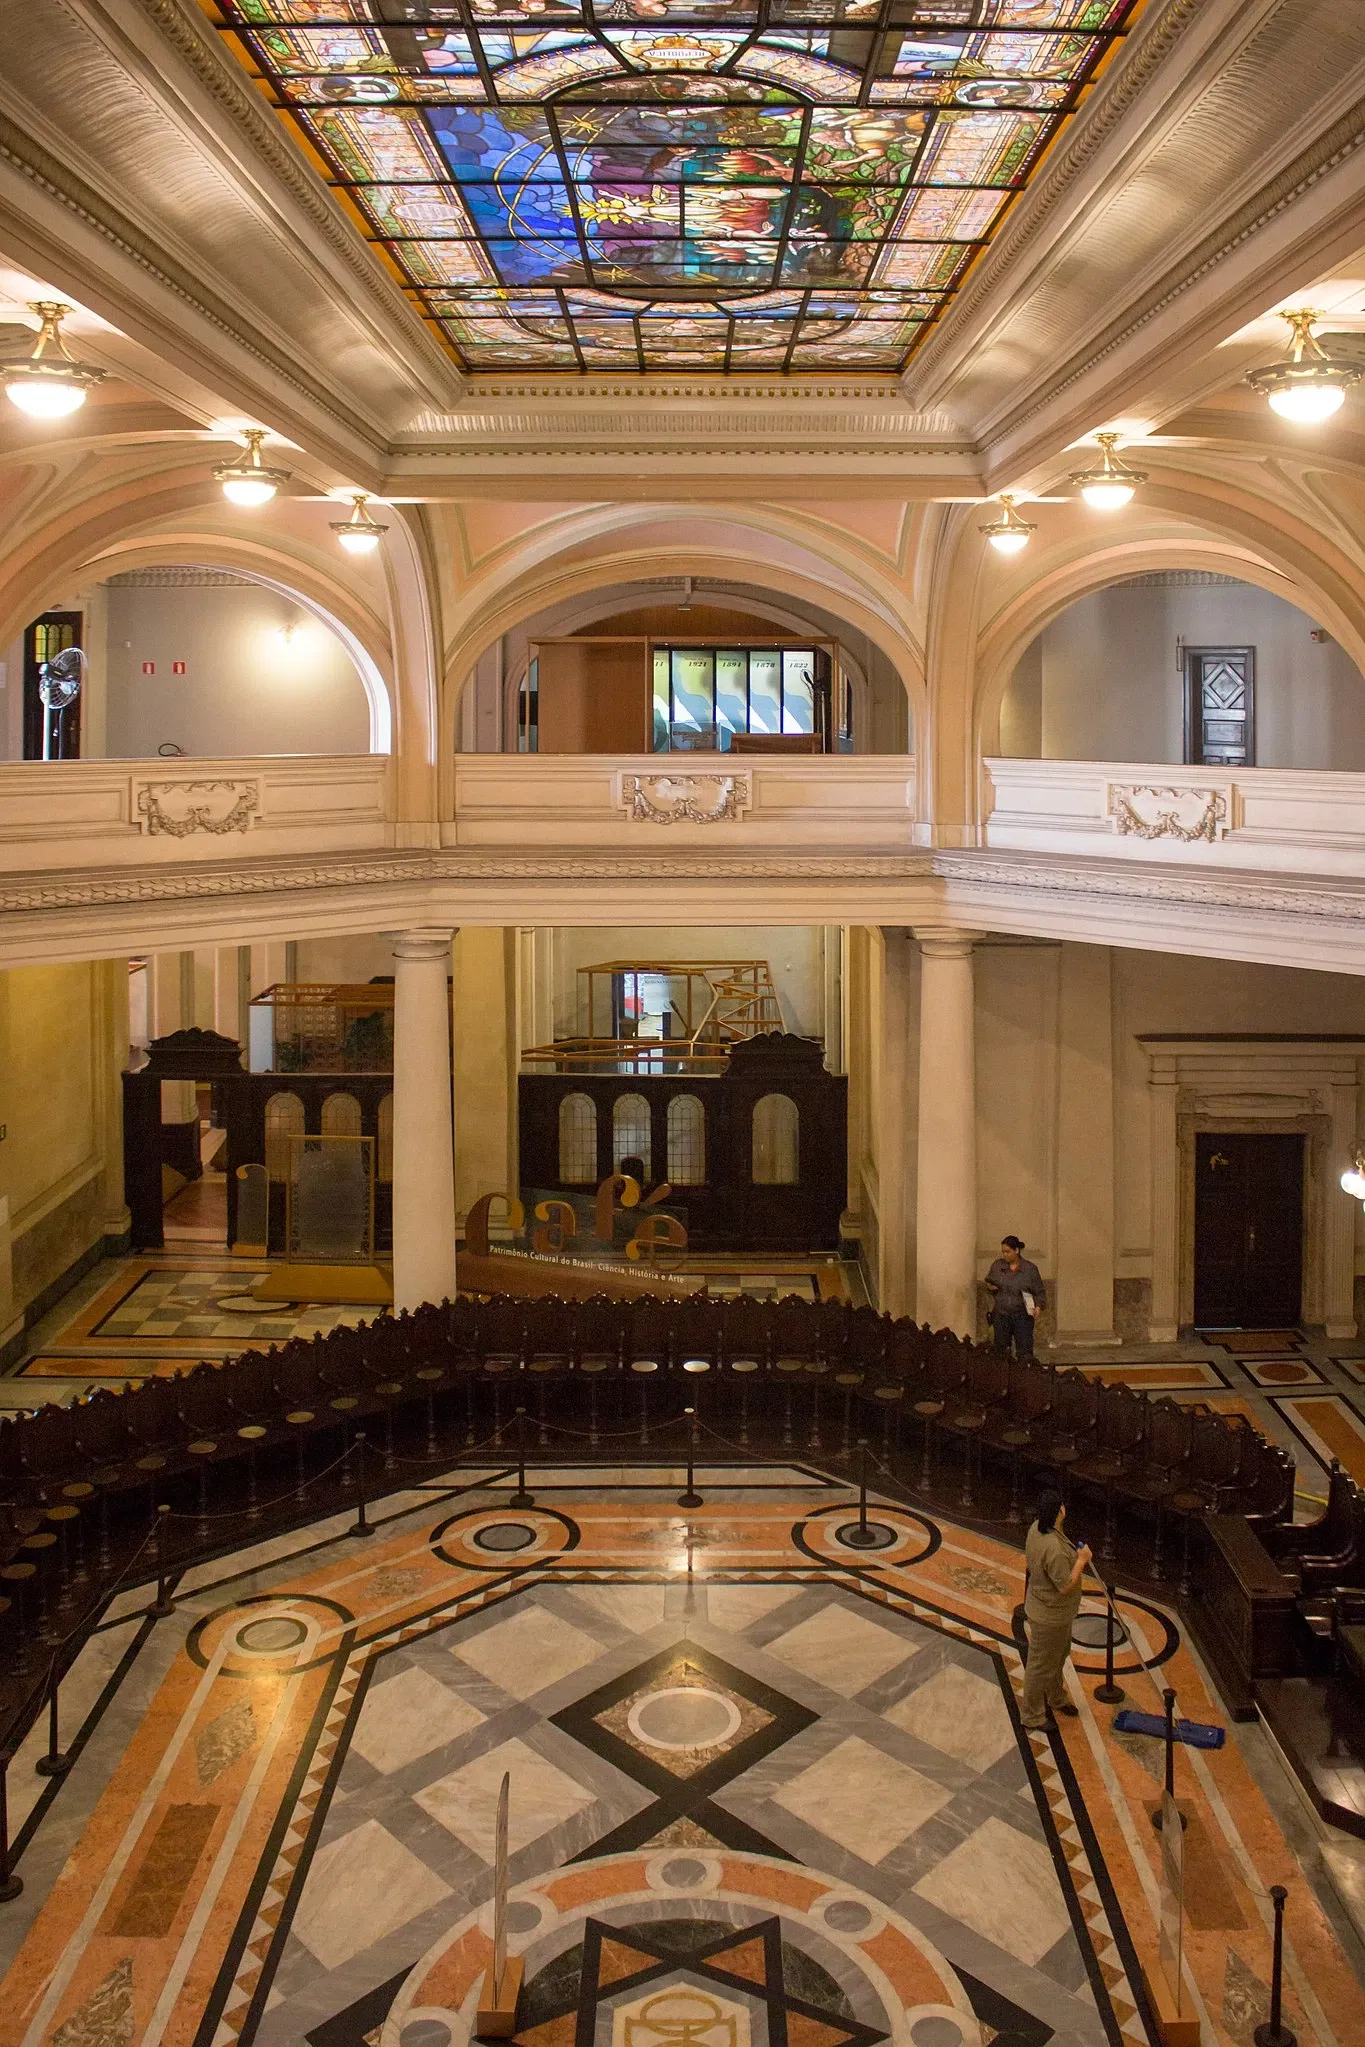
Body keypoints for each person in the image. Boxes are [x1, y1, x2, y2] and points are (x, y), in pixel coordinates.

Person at [1020, 1488, 1091, 1730]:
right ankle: (1032, 1715)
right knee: (1040, 1664)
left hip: (1054, 1611)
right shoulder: (1055, 1549)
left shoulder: (1038, 1528)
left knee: (1058, 1656)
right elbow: (1065, 1586)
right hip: (1049, 1613)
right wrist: (1081, 1561)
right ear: (1059, 1511)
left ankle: (1055, 1696)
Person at [985, 1235, 1045, 1357]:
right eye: (1003, 1252)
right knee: (1001, 1351)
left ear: (1016, 1250)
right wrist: (990, 1287)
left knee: (1024, 1351)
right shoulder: (997, 1266)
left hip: (1022, 1316)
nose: (1005, 1255)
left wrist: (1038, 1306)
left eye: (1008, 1252)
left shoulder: (1030, 1269)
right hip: (1001, 1315)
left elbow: (1039, 1292)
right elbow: (989, 1282)